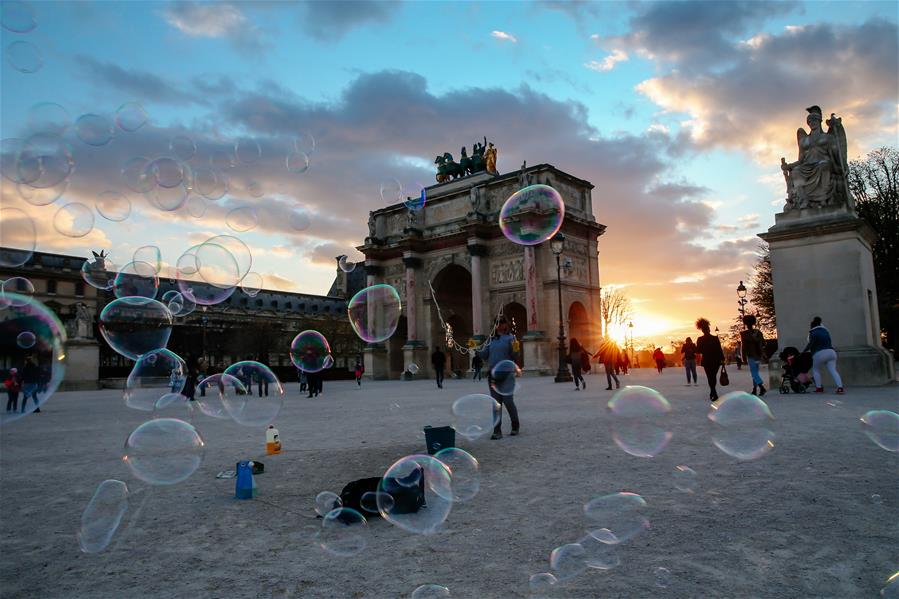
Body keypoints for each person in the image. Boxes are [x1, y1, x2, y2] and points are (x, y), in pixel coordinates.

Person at [478, 317, 520, 440]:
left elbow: (514, 355)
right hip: (493, 375)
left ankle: (515, 426)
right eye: (497, 323)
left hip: (507, 373)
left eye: (502, 323)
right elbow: (484, 355)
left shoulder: (511, 338)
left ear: (506, 325)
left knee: (508, 401)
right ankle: (497, 431)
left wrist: (516, 348)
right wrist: (474, 348)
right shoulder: (491, 340)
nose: (500, 325)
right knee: (496, 404)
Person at [803, 316, 844, 394]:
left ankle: (819, 388)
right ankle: (840, 388)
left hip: (819, 353)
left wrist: (804, 351)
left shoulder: (813, 332)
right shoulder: (826, 331)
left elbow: (810, 344)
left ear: (813, 326)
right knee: (833, 370)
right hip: (831, 352)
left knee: (816, 370)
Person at [695, 318, 725, 401]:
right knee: (713, 376)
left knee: (710, 376)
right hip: (716, 360)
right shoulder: (715, 338)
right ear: (709, 329)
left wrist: (695, 347)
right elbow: (719, 349)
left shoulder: (700, 339)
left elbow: (698, 351)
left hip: (706, 360)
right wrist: (722, 359)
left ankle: (713, 391)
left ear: (702, 331)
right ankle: (713, 391)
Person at [740, 315, 767, 396]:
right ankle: (755, 389)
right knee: (755, 372)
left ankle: (761, 387)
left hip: (750, 355)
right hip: (758, 355)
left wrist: (743, 357)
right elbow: (764, 343)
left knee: (754, 373)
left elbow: (743, 346)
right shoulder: (758, 332)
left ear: (745, 324)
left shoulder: (744, 334)